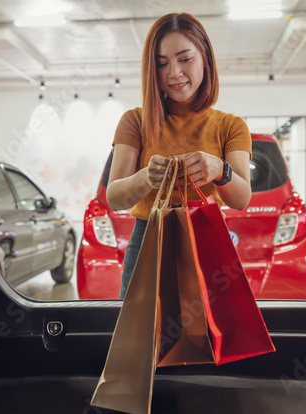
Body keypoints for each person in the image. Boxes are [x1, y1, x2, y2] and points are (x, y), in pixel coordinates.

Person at [106, 12, 253, 299]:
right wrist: (145, 177)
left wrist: (220, 170)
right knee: (141, 337)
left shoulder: (230, 125)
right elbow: (115, 198)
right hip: (148, 238)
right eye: (162, 64)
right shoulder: (134, 121)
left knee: (209, 334)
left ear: (205, 59)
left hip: (206, 242)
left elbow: (241, 199)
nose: (174, 72)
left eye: (185, 59)